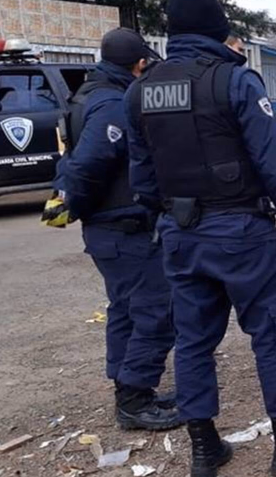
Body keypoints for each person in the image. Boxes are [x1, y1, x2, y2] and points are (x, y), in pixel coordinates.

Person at [124, 0, 276, 477]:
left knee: (194, 341)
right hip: (241, 232)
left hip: (179, 234)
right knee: (272, 334)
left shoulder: (140, 91)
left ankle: (205, 449)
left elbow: (142, 176)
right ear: (217, 29)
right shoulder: (235, 82)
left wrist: (170, 220)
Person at [53, 28, 181, 431]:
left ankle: (129, 387)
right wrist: (73, 205)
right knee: (158, 311)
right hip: (123, 227)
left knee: (125, 310)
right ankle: (133, 398)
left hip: (111, 228)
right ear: (138, 63)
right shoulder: (111, 103)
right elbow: (88, 164)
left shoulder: (87, 94)